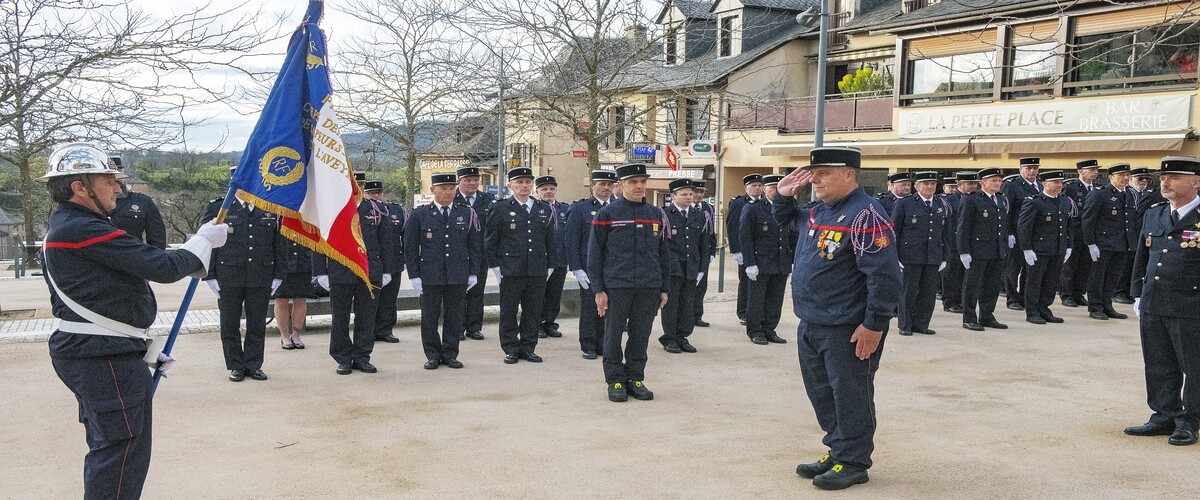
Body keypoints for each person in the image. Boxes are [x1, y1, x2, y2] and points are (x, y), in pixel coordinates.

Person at [40, 143, 228, 499]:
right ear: (80, 187)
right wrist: (202, 241)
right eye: (108, 180)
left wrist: (136, 349)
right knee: (119, 456)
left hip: (106, 351)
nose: (118, 187)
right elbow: (162, 267)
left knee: (123, 451)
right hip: (101, 357)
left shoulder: (78, 224)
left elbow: (102, 297)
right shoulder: (80, 227)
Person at [773, 146, 901, 491]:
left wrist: (874, 324)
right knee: (822, 392)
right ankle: (838, 448)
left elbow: (885, 276)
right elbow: (788, 221)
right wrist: (784, 198)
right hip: (813, 321)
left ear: (850, 175)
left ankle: (854, 461)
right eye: (814, 173)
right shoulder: (820, 211)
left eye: (824, 173)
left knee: (850, 393)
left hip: (848, 326)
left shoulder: (865, 215)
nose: (815, 179)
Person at [1125, 155, 1200, 446]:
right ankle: (1163, 415)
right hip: (1154, 301)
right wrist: (1136, 294)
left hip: (1190, 304)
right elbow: (1142, 258)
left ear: (1196, 182)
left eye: (1174, 178)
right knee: (1158, 362)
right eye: (1163, 178)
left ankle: (1189, 420)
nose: (1165, 182)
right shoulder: (1154, 213)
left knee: (1193, 366)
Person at [589, 163, 670, 403]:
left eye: (642, 182)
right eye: (633, 182)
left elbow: (664, 254)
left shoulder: (656, 214)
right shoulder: (607, 214)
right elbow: (594, 255)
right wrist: (598, 289)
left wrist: (664, 287)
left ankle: (635, 377)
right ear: (621, 185)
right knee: (613, 335)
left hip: (648, 285)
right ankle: (614, 379)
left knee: (641, 334)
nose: (639, 186)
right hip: (617, 284)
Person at [202, 168, 286, 382]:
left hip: (261, 273)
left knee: (257, 322)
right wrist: (209, 275)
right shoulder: (219, 208)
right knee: (229, 323)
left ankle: (253, 364)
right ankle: (235, 365)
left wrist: (278, 273)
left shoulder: (271, 208)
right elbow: (207, 244)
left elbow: (280, 243)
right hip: (228, 275)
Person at [314, 171, 392, 375]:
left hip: (369, 271)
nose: (354, 189)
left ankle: (362, 356)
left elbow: (386, 242)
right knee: (340, 317)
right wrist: (320, 271)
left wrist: (387, 270)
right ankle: (342, 357)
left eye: (359, 185)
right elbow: (319, 243)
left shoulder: (376, 209)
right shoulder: (332, 210)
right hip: (340, 270)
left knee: (367, 316)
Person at [404, 173, 482, 370]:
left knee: (454, 316)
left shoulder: (466, 213)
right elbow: (410, 247)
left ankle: (450, 353)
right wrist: (414, 275)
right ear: (433, 190)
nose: (448, 192)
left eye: (451, 188)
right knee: (429, 316)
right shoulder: (420, 214)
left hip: (458, 272)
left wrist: (473, 272)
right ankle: (432, 354)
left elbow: (474, 245)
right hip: (430, 273)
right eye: (443, 188)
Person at [486, 167, 555, 364]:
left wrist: (550, 264)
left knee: (533, 310)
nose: (524, 186)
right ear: (510, 186)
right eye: (519, 182)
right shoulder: (499, 208)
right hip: (510, 268)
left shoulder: (543, 208)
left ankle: (528, 347)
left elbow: (550, 239)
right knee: (508, 310)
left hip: (537, 268)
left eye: (527, 182)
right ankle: (510, 347)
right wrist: (496, 268)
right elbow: (491, 241)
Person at [565, 170, 617, 359]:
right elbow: (571, 240)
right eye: (602, 184)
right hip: (588, 267)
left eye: (610, 185)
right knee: (590, 306)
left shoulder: (619, 208)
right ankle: (588, 344)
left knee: (611, 308)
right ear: (592, 185)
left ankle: (604, 343)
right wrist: (576, 268)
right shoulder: (580, 209)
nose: (606, 188)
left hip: (613, 267)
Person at [891, 171, 951, 336]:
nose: (929, 187)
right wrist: (895, 256)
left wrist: (945, 256)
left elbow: (946, 233)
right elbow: (893, 231)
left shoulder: (941, 204)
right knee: (908, 292)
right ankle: (905, 325)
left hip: (932, 255)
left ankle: (921, 324)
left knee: (928, 293)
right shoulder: (905, 204)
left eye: (932, 184)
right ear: (917, 186)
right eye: (925, 184)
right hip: (910, 255)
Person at [958, 167, 1013, 332]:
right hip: (977, 250)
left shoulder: (1001, 199)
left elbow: (1002, 223)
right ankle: (969, 317)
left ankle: (987, 315)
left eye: (999, 181)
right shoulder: (972, 199)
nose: (998, 184)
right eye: (994, 181)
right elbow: (963, 227)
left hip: (996, 249)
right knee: (972, 285)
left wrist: (1007, 237)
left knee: (992, 285)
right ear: (982, 182)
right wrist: (963, 251)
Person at [739, 173, 793, 345]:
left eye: (779, 188)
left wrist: (792, 258)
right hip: (760, 262)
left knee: (775, 299)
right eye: (772, 188)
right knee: (756, 299)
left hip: (781, 261)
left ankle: (770, 329)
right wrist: (749, 264)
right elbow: (745, 236)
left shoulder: (789, 209)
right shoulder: (753, 209)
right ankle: (755, 331)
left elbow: (793, 234)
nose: (776, 192)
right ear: (764, 189)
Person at [1017, 170, 1075, 325]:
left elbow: (1068, 226)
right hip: (1039, 249)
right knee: (1034, 281)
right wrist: (1026, 249)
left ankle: (1044, 308)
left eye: (1061, 183)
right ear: (1044, 184)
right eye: (1055, 183)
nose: (1059, 186)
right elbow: (1024, 227)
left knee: (1051, 281)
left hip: (1057, 249)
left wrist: (1068, 246)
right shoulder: (1034, 202)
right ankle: (1032, 311)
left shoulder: (1064, 201)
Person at [1082, 163, 1137, 321]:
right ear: (1110, 177)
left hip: (1121, 243)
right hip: (1102, 243)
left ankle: (1107, 305)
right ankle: (1095, 307)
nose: (1125, 178)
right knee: (1097, 276)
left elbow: (1131, 221)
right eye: (1121, 175)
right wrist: (1091, 243)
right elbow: (1088, 220)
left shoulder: (1129, 195)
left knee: (1113, 277)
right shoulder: (1100, 194)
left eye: (1127, 175)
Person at [659, 179, 709, 353]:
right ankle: (670, 337)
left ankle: (682, 336)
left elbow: (704, 244)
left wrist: (702, 268)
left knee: (688, 304)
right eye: (684, 194)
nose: (689, 197)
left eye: (690, 194)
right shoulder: (664, 214)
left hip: (691, 266)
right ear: (673, 196)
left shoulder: (700, 215)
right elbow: (661, 244)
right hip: (673, 267)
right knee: (671, 305)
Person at [455, 166, 496, 341]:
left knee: (477, 292)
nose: (472, 183)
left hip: (480, 254)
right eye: (467, 180)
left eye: (475, 180)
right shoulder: (452, 198)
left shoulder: (488, 200)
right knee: (457, 293)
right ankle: (457, 327)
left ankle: (474, 327)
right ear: (459, 181)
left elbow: (493, 229)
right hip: (457, 254)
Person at [363, 180, 405, 344]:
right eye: (371, 193)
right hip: (371, 261)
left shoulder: (395, 210)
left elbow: (405, 235)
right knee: (371, 299)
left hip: (393, 261)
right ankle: (369, 330)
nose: (375, 196)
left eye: (378, 193)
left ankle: (386, 329)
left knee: (389, 298)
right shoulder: (362, 210)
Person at [1000, 157, 1042, 311]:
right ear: (1020, 170)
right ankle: (1012, 298)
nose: (1032, 171)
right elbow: (1005, 211)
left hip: (1036, 235)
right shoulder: (1012, 186)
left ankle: (1025, 297)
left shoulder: (1041, 185)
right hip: (1017, 234)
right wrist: (1008, 233)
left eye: (1035, 168)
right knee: (1013, 267)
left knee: (1030, 268)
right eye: (1028, 168)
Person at [1060, 159, 1100, 308]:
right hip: (1075, 230)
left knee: (1085, 265)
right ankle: (1067, 294)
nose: (1095, 172)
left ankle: (1078, 293)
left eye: (1096, 170)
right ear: (1080, 171)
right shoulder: (1070, 188)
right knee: (1070, 264)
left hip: (1090, 232)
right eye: (1091, 170)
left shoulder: (1097, 188)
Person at [106, 156, 167, 250]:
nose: (116, 187)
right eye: (110, 181)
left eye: (118, 180)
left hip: (133, 259)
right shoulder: (91, 204)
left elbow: (158, 241)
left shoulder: (143, 202)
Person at [727, 174, 764, 325]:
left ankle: (758, 312)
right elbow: (733, 226)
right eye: (753, 185)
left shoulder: (765, 203)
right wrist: (736, 250)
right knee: (746, 282)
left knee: (760, 282)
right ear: (746, 188)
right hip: (745, 249)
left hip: (762, 250)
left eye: (759, 185)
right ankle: (743, 311)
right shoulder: (739, 203)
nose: (757, 188)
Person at [537, 175, 571, 339]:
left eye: (551, 189)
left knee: (554, 294)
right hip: (541, 260)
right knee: (538, 295)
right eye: (544, 189)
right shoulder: (535, 208)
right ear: (537, 191)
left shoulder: (565, 209)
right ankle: (537, 324)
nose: (548, 192)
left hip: (560, 259)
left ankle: (550, 323)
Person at [941, 171, 977, 314]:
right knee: (951, 274)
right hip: (952, 242)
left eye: (974, 183)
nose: (973, 186)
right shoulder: (949, 200)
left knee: (965, 274)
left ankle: (962, 301)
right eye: (969, 184)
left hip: (969, 242)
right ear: (959, 185)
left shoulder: (976, 199)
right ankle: (949, 302)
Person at [273, 237, 312, 350]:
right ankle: (284, 335)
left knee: (300, 298)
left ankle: (296, 334)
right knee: (281, 298)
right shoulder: (279, 218)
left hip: (303, 258)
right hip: (283, 260)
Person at [691, 180, 717, 327]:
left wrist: (712, 250)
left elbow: (711, 232)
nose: (699, 195)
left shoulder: (708, 208)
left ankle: (697, 315)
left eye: (701, 192)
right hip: (690, 251)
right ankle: (688, 315)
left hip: (704, 252)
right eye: (696, 192)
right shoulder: (686, 206)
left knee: (701, 286)